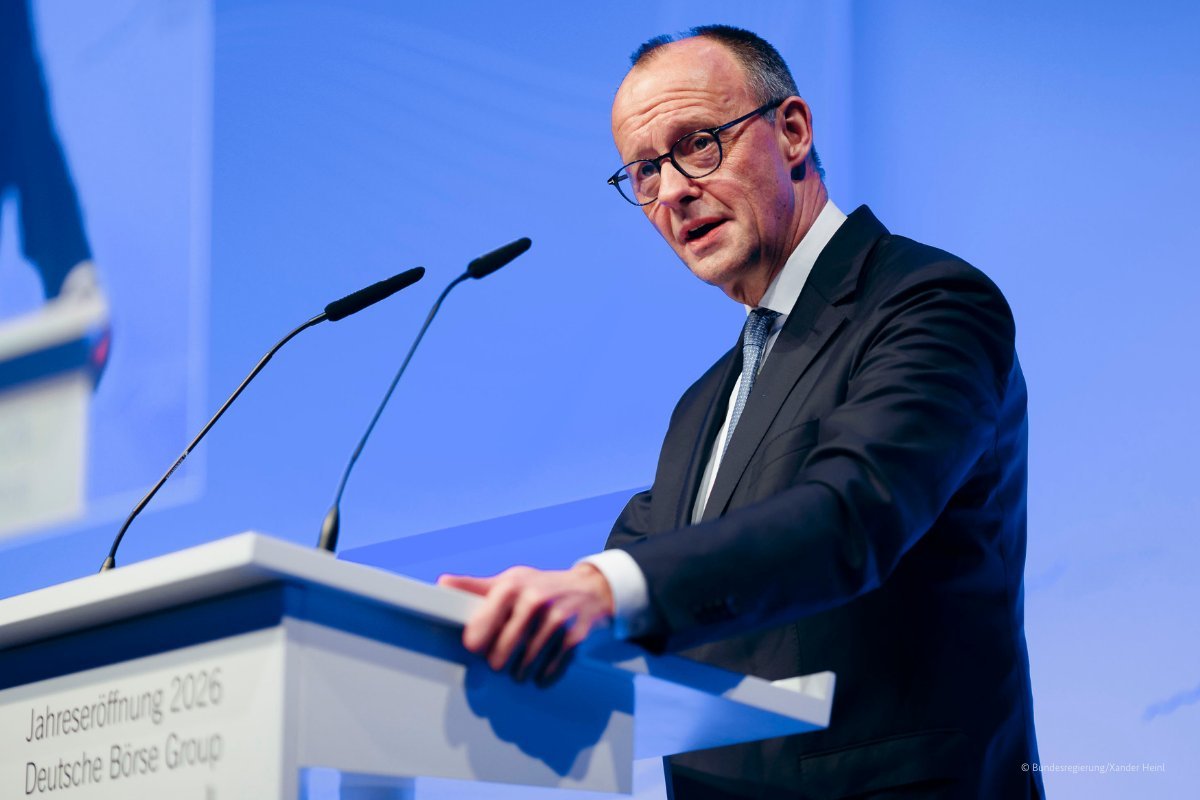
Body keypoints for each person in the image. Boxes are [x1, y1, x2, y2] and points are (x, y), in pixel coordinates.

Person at [440, 25, 1043, 799]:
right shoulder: (703, 405)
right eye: (644, 171)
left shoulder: (929, 302)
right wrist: (520, 625)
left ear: (791, 132)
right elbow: (659, 573)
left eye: (697, 144)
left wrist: (601, 590)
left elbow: (850, 515)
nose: (671, 192)